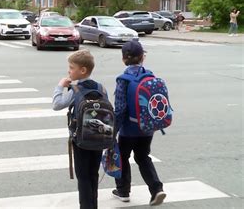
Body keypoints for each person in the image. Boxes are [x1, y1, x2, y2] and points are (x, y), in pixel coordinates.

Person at [112, 41, 166, 206]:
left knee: (123, 156)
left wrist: (113, 131)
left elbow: (120, 109)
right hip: (147, 128)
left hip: (128, 130)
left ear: (123, 59)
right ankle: (156, 189)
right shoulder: (150, 76)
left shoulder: (123, 80)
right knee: (143, 157)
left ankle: (123, 191)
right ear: (143, 57)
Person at [52, 50, 107, 209]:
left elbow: (57, 105)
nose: (69, 71)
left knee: (83, 177)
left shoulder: (75, 91)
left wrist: (60, 86)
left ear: (82, 70)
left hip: (81, 141)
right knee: (93, 175)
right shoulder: (101, 89)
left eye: (71, 67)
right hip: (99, 138)